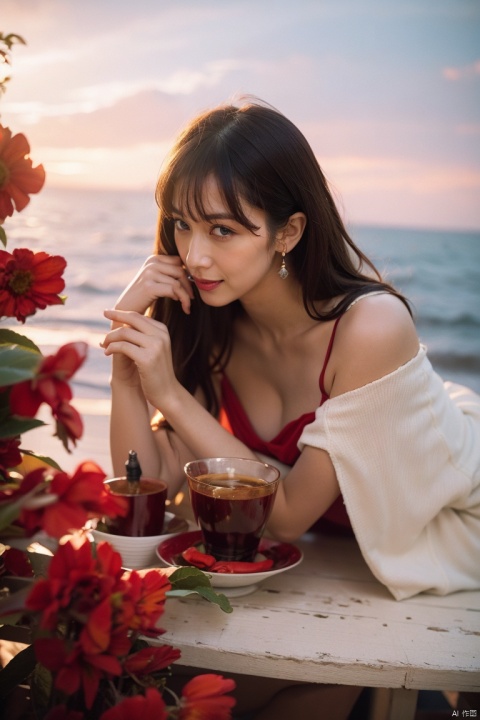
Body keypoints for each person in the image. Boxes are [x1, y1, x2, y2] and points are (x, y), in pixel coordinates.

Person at [102, 98, 480, 719]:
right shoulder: (210, 313)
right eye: (181, 224)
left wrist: (166, 392)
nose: (194, 256)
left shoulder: (370, 328)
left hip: (446, 514)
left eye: (222, 229)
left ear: (289, 232)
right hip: (334, 553)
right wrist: (126, 367)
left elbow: (284, 515)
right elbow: (151, 484)